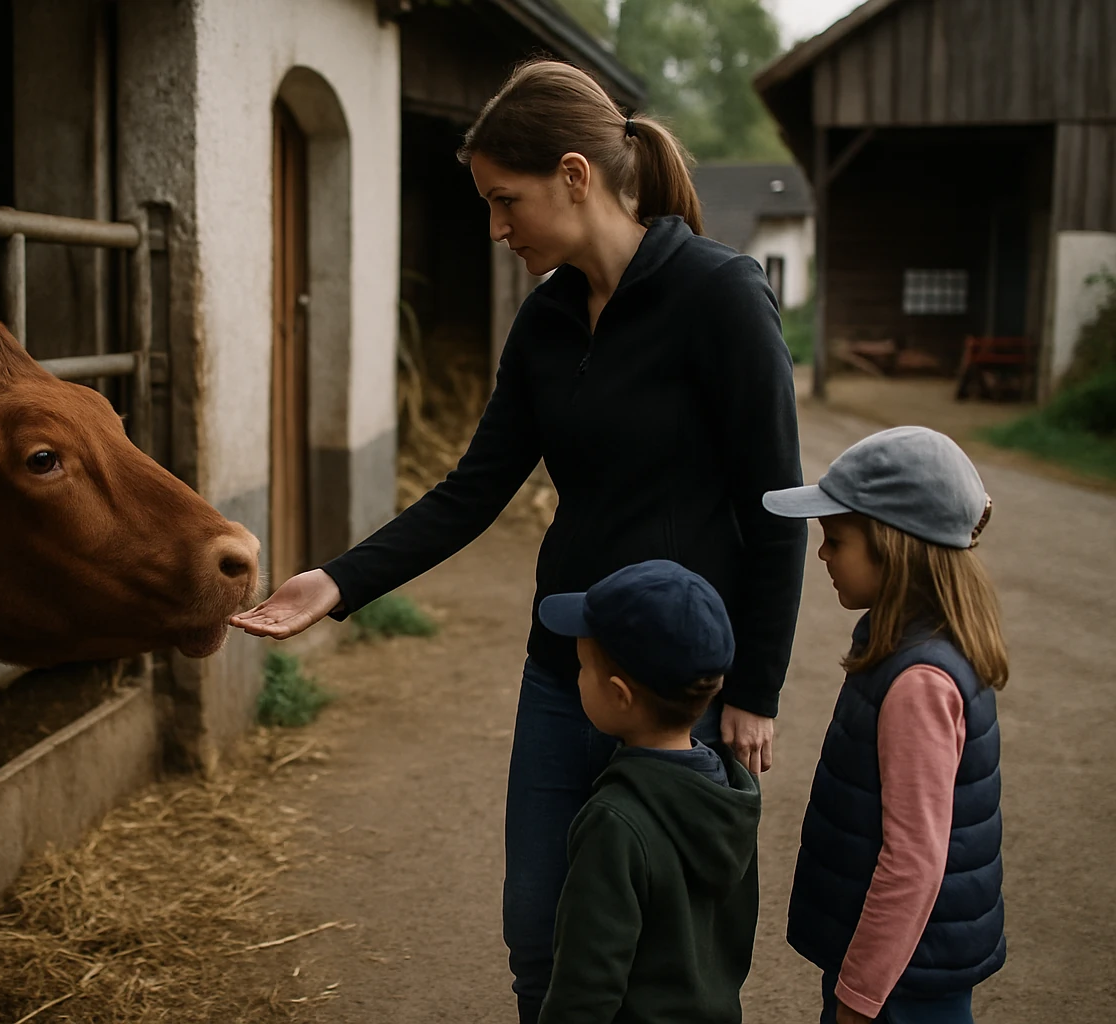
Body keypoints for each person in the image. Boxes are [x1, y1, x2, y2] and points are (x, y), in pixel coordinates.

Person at [232, 58, 806, 1020]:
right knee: (538, 943)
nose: (496, 230)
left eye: (507, 201)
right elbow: (470, 491)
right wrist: (335, 583)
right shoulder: (544, 320)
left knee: (665, 968)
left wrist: (757, 689)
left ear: (575, 176)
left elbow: (777, 507)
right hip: (563, 671)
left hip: (675, 689)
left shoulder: (720, 297)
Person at [763, 426, 1008, 1024]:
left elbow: (914, 861)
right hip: (900, 967)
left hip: (901, 983)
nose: (822, 553)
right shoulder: (902, 641)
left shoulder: (918, 681)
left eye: (836, 539)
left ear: (893, 547)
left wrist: (861, 994)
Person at [534, 560, 761, 1024]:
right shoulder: (731, 795)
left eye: (582, 667)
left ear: (619, 694)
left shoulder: (614, 822)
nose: (577, 677)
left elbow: (587, 984)